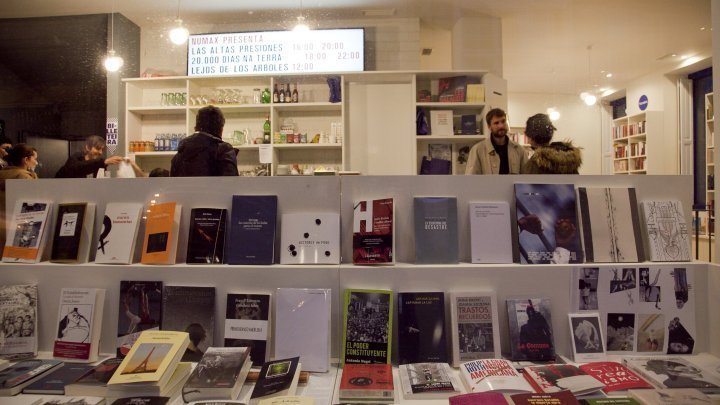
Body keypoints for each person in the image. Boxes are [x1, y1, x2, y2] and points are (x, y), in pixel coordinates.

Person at [170, 105, 239, 177]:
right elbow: (232, 185)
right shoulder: (223, 151)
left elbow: (173, 186)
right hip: (214, 188)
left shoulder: (180, 154)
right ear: (221, 130)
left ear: (196, 128)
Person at [465, 108, 529, 174]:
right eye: (496, 123)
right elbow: (471, 180)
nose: (501, 126)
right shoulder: (477, 150)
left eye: (503, 121)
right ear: (489, 127)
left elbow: (526, 179)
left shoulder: (519, 150)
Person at [55, 135, 124, 178]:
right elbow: (77, 168)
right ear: (88, 147)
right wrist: (103, 162)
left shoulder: (99, 164)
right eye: (97, 148)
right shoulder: (76, 158)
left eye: (102, 149)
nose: (100, 152)